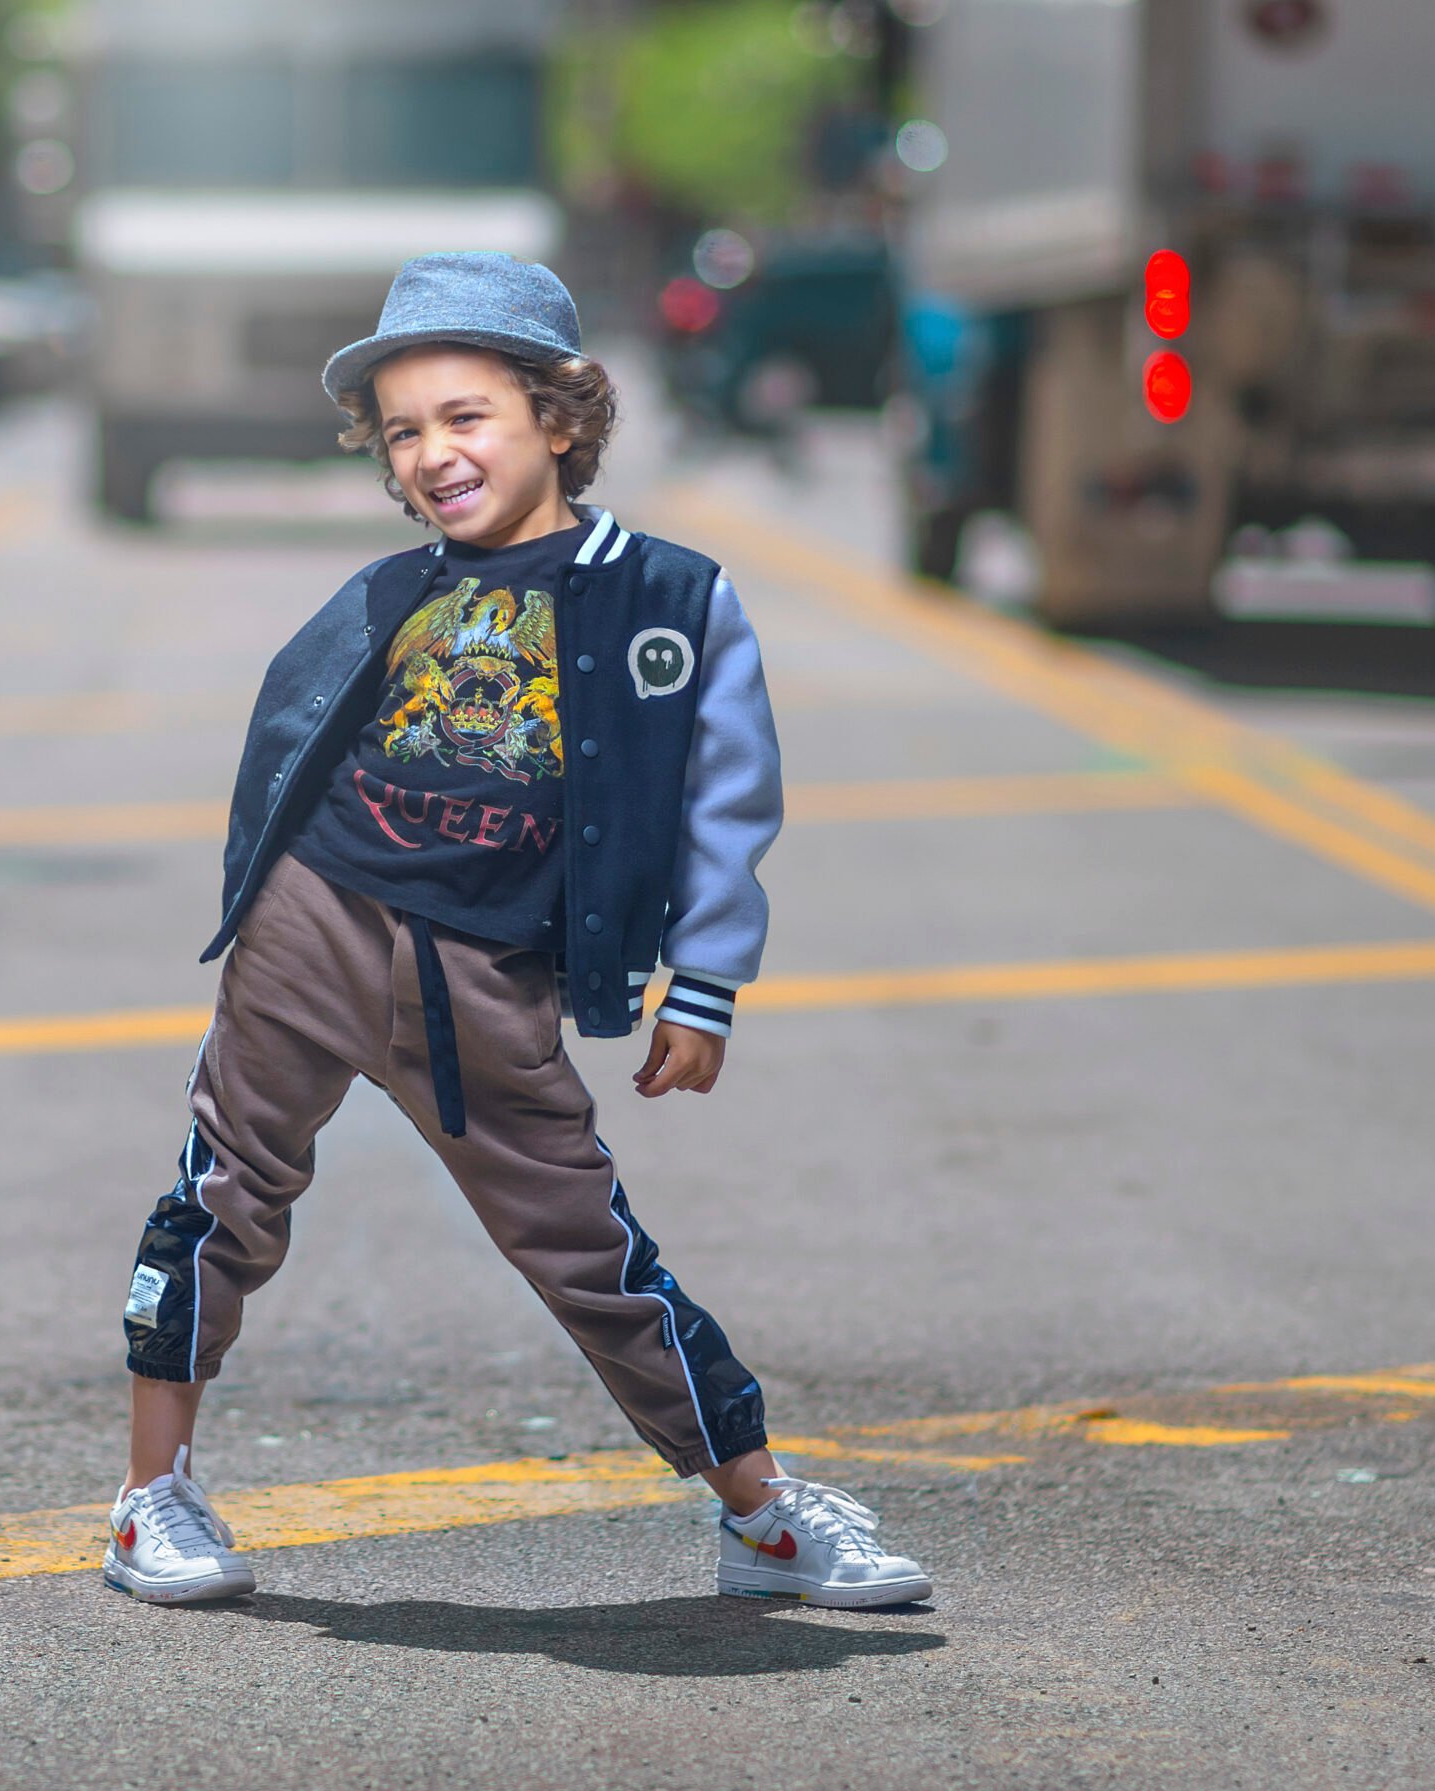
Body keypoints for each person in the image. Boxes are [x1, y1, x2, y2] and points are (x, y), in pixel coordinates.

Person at [103, 252, 933, 1611]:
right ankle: (151, 1500)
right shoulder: (385, 593)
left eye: (467, 416)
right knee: (218, 1201)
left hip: (484, 980)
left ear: (562, 415)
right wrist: (257, 912)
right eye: (406, 431)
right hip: (317, 926)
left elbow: (731, 803)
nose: (434, 454)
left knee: (592, 1252)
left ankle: (765, 1518)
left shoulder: (674, 599)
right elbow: (286, 744)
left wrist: (705, 981)